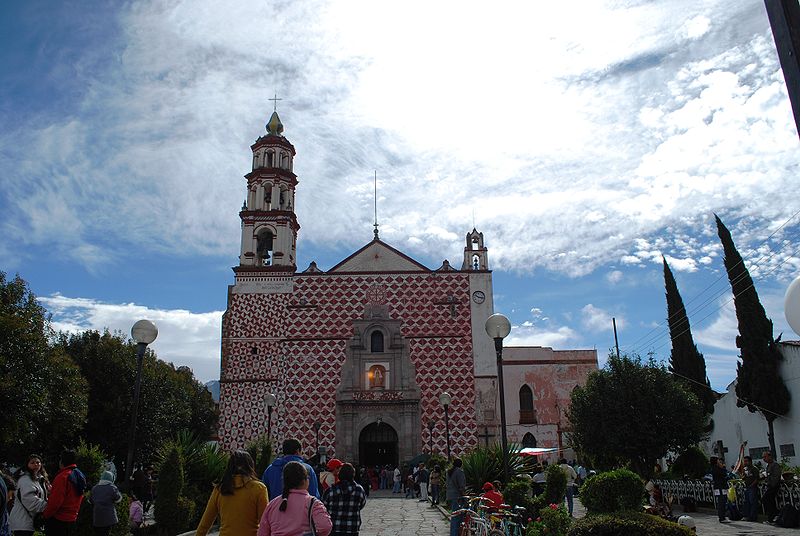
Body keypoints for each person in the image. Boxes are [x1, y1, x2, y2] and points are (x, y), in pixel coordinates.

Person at [196, 450, 268, 536]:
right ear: (250, 466)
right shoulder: (259, 489)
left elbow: (205, 523)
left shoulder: (220, 489)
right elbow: (264, 523)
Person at [258, 461, 332, 536]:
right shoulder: (313, 503)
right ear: (305, 481)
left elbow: (262, 532)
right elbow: (325, 527)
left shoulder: (273, 504)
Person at [42, 450, 86, 536]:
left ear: (61, 461)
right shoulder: (80, 475)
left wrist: (45, 515)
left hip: (59, 519)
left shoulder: (63, 477)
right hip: (72, 518)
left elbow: (55, 502)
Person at [9, 454, 49, 536]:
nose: (36, 464)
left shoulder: (39, 479)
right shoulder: (25, 480)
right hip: (22, 521)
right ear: (27, 465)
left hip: (29, 521)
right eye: (32, 463)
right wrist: (48, 506)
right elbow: (30, 502)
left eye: (38, 462)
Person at [323, 463, 366, 536]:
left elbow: (324, 506)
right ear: (353, 475)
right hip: (352, 528)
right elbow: (362, 504)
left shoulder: (330, 491)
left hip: (334, 528)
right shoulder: (359, 490)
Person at [90, 471, 122, 536]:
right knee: (106, 533)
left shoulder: (95, 488)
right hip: (109, 518)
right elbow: (118, 499)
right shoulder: (112, 487)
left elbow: (90, 500)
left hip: (97, 517)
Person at [445, 458, 466, 536]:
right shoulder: (459, 472)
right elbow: (461, 486)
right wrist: (464, 495)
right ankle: (455, 533)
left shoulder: (449, 472)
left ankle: (454, 533)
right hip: (458, 496)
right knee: (458, 517)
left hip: (450, 496)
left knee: (454, 515)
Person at [762, 450, 781, 524]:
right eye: (763, 457)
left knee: (766, 499)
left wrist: (771, 484)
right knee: (768, 501)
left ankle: (773, 515)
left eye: (765, 457)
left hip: (774, 486)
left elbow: (776, 476)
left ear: (770, 456)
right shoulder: (768, 466)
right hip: (769, 486)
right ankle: (772, 516)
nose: (764, 459)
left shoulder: (775, 465)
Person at [740, 455, 759, 522]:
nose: (745, 462)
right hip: (747, 487)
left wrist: (752, 485)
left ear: (750, 461)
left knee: (752, 502)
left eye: (746, 461)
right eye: (744, 461)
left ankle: (753, 516)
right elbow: (744, 477)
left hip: (752, 487)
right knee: (747, 501)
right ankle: (746, 515)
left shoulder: (754, 469)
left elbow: (757, 478)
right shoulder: (745, 469)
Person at [710, 456, 728, 523]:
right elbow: (724, 474)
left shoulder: (714, 468)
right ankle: (722, 517)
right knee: (722, 502)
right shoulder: (716, 468)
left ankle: (722, 516)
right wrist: (722, 467)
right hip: (720, 487)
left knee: (722, 502)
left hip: (719, 487)